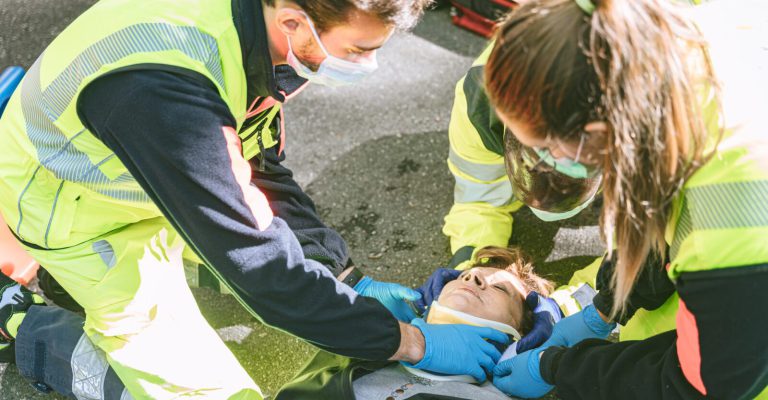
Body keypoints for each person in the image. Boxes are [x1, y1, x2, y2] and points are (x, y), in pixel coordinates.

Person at [0, 0, 511, 398]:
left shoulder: (261, 34)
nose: (369, 65)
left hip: (147, 174)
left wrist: (344, 278)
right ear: (294, 22)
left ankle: (60, 287)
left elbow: (256, 164)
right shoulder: (166, 91)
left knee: (260, 271)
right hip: (74, 208)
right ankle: (26, 315)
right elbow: (262, 271)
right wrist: (412, 343)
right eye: (358, 50)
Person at [480, 0, 768, 398]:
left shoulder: (730, 218)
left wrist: (561, 367)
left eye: (549, 151)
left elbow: (705, 386)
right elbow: (663, 200)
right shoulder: (669, 44)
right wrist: (607, 305)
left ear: (603, 131)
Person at [274, 246, 556, 400]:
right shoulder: (356, 340)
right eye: (464, 275)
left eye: (500, 288)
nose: (472, 278)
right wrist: (349, 290)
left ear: (520, 333)